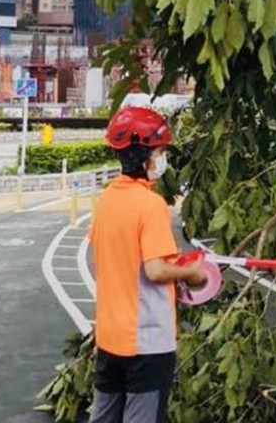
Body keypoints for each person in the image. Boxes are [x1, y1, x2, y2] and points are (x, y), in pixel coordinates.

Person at [88, 106, 207, 423]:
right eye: (160, 151)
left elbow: (121, 257)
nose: (162, 158)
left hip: (110, 336)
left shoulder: (107, 201)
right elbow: (155, 270)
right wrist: (191, 272)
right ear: (144, 155)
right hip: (147, 341)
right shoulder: (151, 205)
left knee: (104, 417)